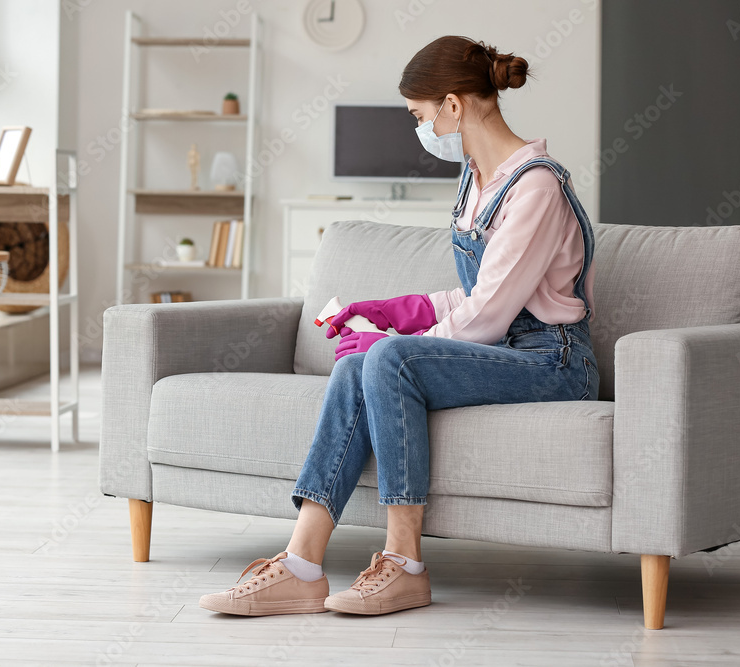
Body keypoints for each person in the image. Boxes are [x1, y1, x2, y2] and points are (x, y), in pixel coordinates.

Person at [199, 35, 599, 617]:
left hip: (553, 362)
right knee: (365, 361)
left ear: (453, 107)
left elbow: (487, 318)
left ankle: (404, 564)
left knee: (386, 358)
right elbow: (484, 293)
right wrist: (397, 310)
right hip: (508, 345)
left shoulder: (535, 185)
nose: (420, 129)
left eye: (419, 116)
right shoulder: (477, 179)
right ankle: (301, 564)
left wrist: (394, 342)